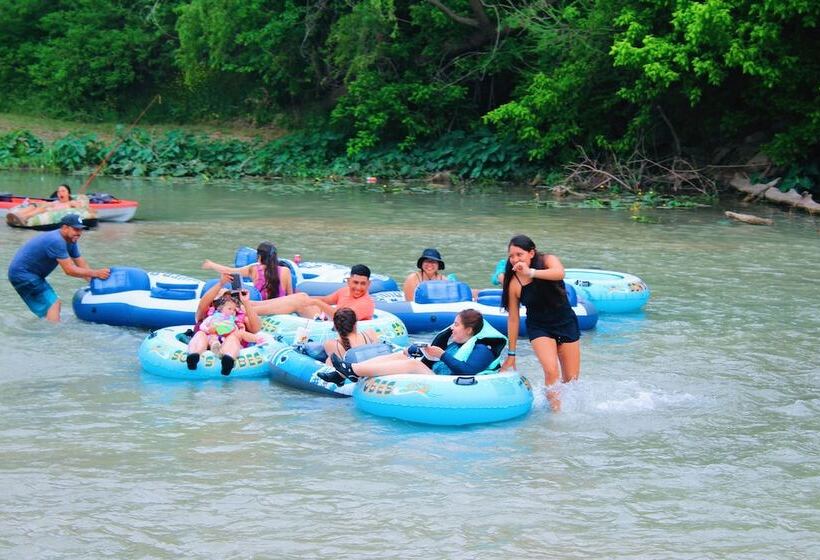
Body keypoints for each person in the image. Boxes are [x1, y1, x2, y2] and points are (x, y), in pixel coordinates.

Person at [319, 309, 506, 386]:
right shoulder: (461, 342)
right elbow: (436, 358)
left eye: (456, 325)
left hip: (454, 388)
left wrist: (441, 355)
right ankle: (345, 374)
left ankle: (352, 371)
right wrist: (423, 351)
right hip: (443, 380)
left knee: (414, 366)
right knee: (404, 355)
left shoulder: (484, 347)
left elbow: (468, 371)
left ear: (470, 330)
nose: (452, 327)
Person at [500, 234, 580, 411]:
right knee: (551, 371)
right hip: (539, 327)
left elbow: (560, 273)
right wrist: (511, 354)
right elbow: (513, 318)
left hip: (565, 321)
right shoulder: (514, 282)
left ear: (531, 253)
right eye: (511, 256)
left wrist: (531, 272)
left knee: (571, 380)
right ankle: (555, 415)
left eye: (519, 254)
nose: (514, 259)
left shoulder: (548, 260)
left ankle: (562, 407)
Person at [7, 213, 110, 322]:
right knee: (54, 304)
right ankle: (52, 334)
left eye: (81, 230)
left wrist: (94, 284)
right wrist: (96, 273)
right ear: (64, 228)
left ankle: (47, 329)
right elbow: (69, 270)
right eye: (76, 229)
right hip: (23, 274)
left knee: (51, 307)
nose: (79, 233)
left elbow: (81, 263)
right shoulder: (56, 240)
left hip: (30, 274)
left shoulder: (71, 240)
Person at [201, 242, 313, 316]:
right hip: (282, 309)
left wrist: (212, 264)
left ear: (259, 256)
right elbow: (290, 296)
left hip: (261, 309)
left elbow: (229, 271)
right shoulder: (285, 271)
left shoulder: (253, 269)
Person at [186, 272, 262, 375]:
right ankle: (194, 356)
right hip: (209, 341)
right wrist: (221, 284)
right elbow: (202, 304)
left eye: (230, 299)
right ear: (215, 303)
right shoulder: (205, 315)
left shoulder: (239, 317)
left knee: (233, 338)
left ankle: (228, 361)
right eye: (222, 299)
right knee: (200, 334)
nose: (227, 301)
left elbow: (256, 329)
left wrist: (246, 302)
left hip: (229, 343)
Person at [307, 264, 375, 321]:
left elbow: (342, 319)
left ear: (368, 284)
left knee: (304, 304)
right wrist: (306, 299)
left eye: (363, 283)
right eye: (355, 282)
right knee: (301, 297)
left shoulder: (366, 304)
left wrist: (316, 302)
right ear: (349, 281)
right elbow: (326, 300)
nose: (358, 288)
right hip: (333, 325)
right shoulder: (344, 291)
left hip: (346, 331)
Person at [11, 184, 87, 223]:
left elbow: (80, 208)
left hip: (52, 213)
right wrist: (34, 202)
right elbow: (45, 203)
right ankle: (18, 215)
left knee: (44, 208)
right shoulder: (56, 202)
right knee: (35, 205)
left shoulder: (71, 202)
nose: (60, 193)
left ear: (68, 193)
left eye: (63, 191)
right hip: (46, 209)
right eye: (59, 192)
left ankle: (24, 217)